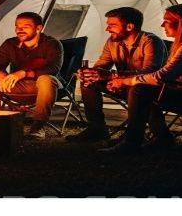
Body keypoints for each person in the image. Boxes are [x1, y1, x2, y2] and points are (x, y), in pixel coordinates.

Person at [99, 3, 182, 154]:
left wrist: (125, 81)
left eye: (167, 21)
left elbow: (161, 77)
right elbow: (168, 77)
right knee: (145, 88)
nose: (162, 24)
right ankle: (161, 139)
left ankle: (132, 142)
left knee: (141, 88)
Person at [68, 7, 167, 142]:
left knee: (138, 87)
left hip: (148, 89)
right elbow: (102, 65)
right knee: (89, 82)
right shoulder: (112, 42)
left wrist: (112, 76)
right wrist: (91, 73)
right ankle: (97, 129)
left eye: (112, 25)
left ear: (129, 26)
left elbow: (150, 72)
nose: (107, 29)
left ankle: (133, 135)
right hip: (121, 85)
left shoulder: (151, 41)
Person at [0, 12, 63, 140]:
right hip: (14, 87)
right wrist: (1, 75)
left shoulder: (51, 44)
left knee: (46, 79)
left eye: (25, 26)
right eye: (17, 26)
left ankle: (38, 127)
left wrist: (23, 73)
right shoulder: (10, 44)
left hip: (42, 88)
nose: (19, 30)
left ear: (39, 28)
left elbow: (53, 69)